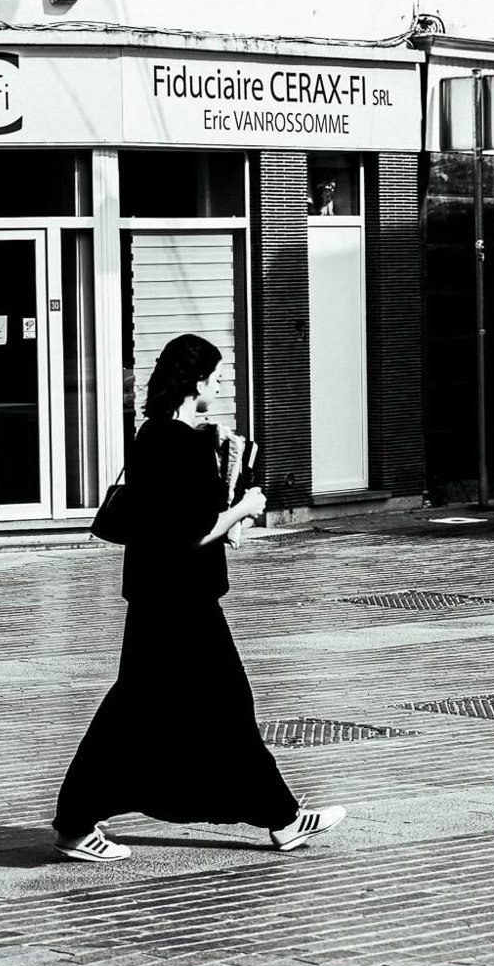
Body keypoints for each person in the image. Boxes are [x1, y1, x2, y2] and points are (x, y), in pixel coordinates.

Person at [53, 332, 347, 863]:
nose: (219, 385)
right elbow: (192, 533)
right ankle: (76, 824)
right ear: (196, 382)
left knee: (165, 709)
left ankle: (282, 819)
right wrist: (246, 506)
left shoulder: (154, 436)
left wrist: (227, 494)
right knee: (208, 709)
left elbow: (182, 522)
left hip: (156, 598)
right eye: (215, 377)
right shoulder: (183, 445)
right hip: (184, 604)